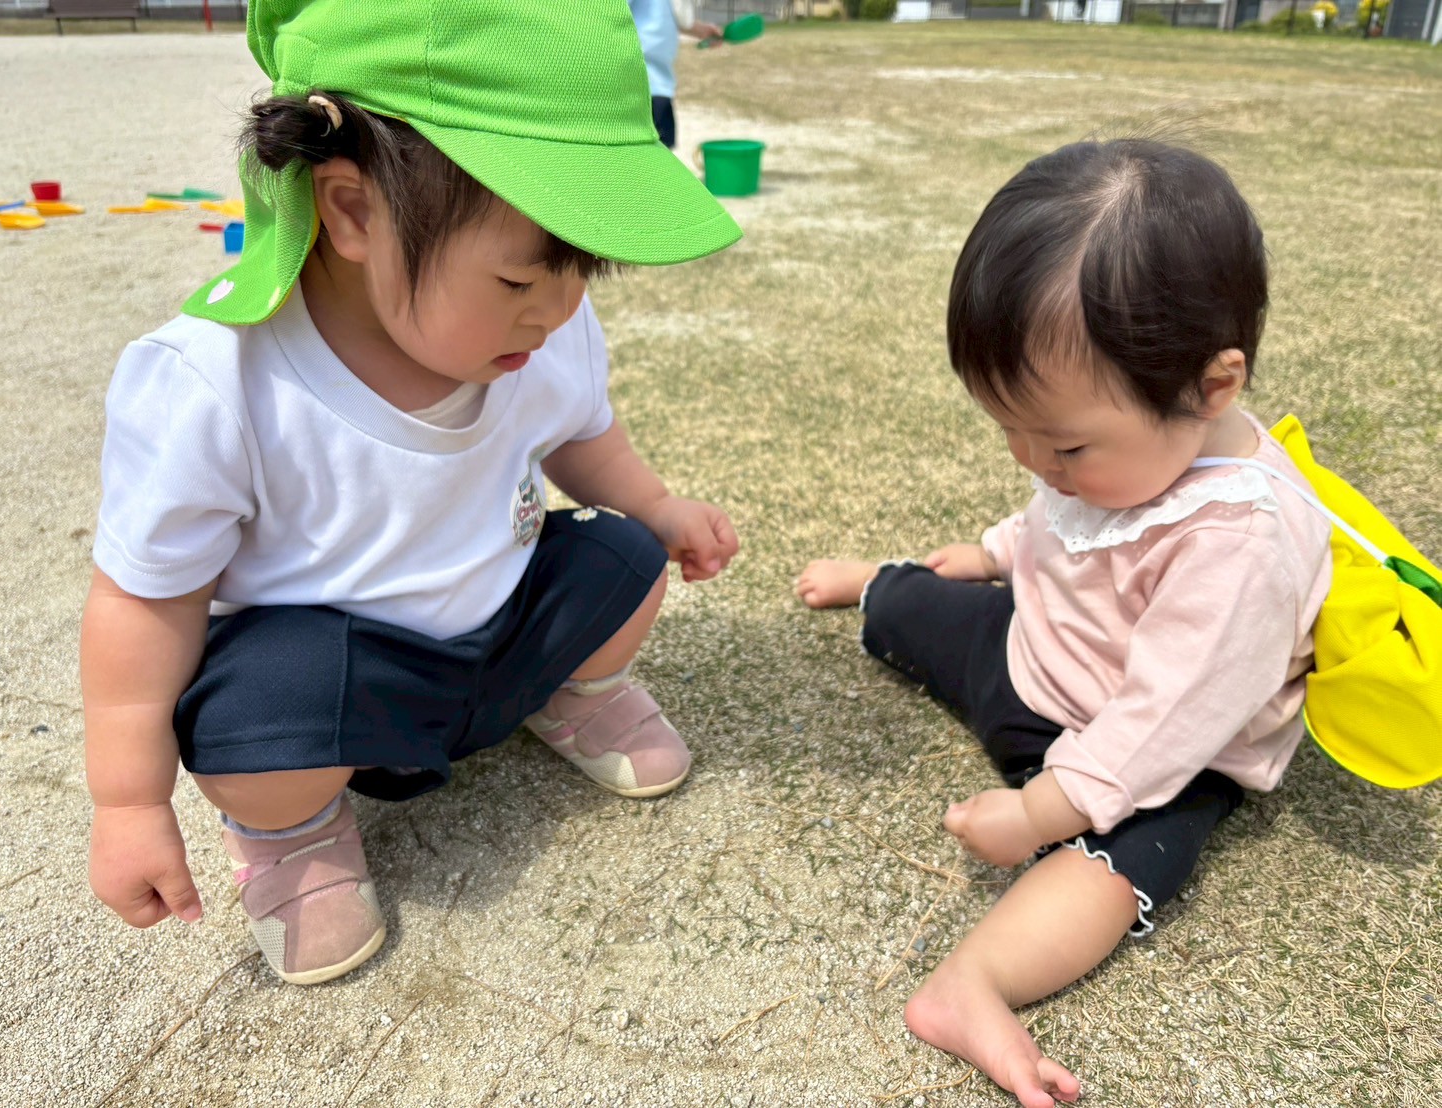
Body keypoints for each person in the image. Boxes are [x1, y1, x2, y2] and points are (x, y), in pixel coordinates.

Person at [82, 0, 742, 987]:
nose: (559, 309)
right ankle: (293, 834)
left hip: (501, 629)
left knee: (625, 555)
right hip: (340, 691)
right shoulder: (219, 381)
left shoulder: (546, 330)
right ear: (352, 211)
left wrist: (657, 506)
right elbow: (145, 601)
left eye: (582, 268)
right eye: (521, 278)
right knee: (253, 720)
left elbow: (582, 433)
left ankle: (570, 693)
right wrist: (129, 803)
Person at [795, 139, 1332, 1107]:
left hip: (1152, 757)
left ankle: (972, 984)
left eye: (1063, 444)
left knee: (1125, 860)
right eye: (1009, 429)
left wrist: (1039, 813)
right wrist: (996, 550)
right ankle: (879, 586)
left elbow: (1163, 719)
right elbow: (1066, 521)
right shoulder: (1123, 448)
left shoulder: (1242, 544)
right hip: (1030, 644)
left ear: (1212, 387)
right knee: (923, 604)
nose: (1031, 460)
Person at [628, 0, 721, 149]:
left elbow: (667, 15)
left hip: (659, 84)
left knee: (662, 149)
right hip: (635, 84)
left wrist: (702, 30)